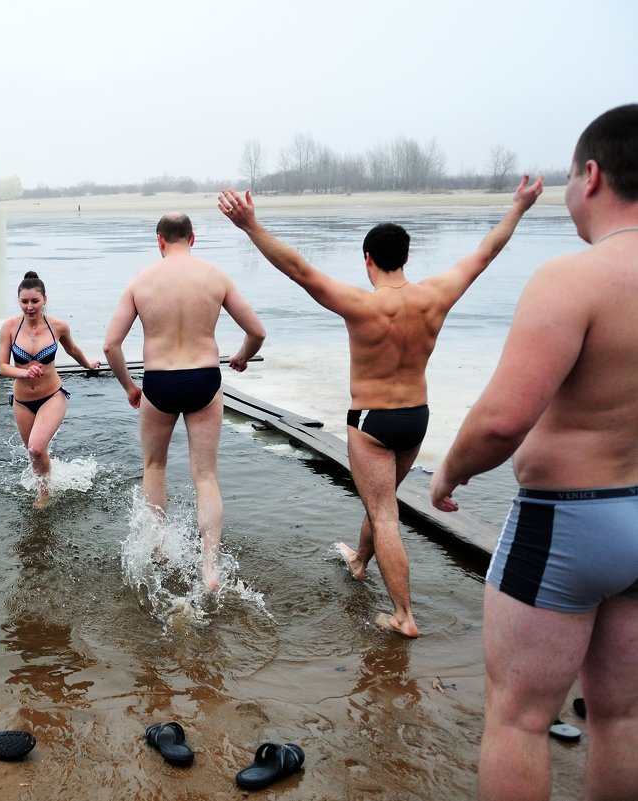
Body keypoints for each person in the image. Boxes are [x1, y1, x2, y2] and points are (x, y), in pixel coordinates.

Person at [219, 175, 542, 636]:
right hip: (417, 418)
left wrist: (251, 227)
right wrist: (519, 208)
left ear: (367, 259)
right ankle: (360, 560)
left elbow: (298, 268)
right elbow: (486, 252)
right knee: (382, 503)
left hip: (372, 421)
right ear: (406, 258)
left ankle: (404, 616)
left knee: (385, 514)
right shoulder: (437, 295)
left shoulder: (360, 306)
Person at [430, 105, 638, 801]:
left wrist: (450, 469)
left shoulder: (573, 278)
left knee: (518, 718)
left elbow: (501, 420)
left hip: (567, 522)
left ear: (590, 174)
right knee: (622, 713)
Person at [103, 213, 266, 589]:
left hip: (159, 381)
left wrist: (129, 386)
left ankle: (159, 549)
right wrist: (241, 355)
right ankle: (210, 567)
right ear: (193, 238)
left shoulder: (141, 282)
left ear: (159, 240)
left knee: (154, 466)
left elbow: (111, 345)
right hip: (204, 378)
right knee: (206, 476)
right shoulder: (215, 276)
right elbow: (257, 331)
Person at [0, 271, 101, 508]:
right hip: (22, 401)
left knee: (35, 447)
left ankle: (44, 495)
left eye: (34, 301)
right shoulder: (10, 327)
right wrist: (24, 372)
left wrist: (88, 365)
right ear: (19, 302)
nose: (29, 307)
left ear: (44, 299)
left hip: (52, 396)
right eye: (24, 302)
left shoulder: (58, 326)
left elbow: (73, 350)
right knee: (34, 453)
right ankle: (46, 481)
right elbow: (3, 366)